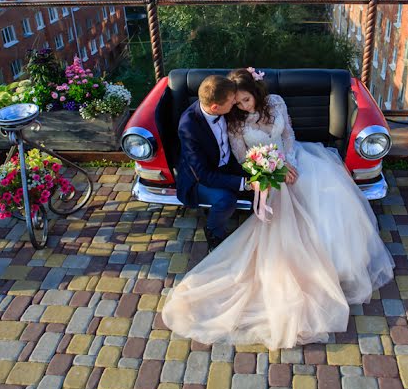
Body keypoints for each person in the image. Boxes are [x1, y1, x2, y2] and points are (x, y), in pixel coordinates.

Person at [161, 68, 394, 350]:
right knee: (283, 207)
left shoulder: (276, 102)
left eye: (245, 100)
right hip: (263, 169)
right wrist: (273, 170)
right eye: (237, 103)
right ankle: (227, 239)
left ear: (256, 92)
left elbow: (288, 135)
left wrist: (289, 161)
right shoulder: (229, 120)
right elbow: (240, 156)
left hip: (296, 159)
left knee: (327, 193)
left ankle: (341, 260)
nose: (241, 106)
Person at [175, 75, 250, 252]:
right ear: (215, 107)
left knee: (264, 183)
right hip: (198, 179)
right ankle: (213, 232)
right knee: (226, 200)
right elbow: (204, 174)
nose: (235, 104)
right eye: (232, 102)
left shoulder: (223, 107)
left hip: (227, 164)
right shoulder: (188, 127)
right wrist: (244, 184)